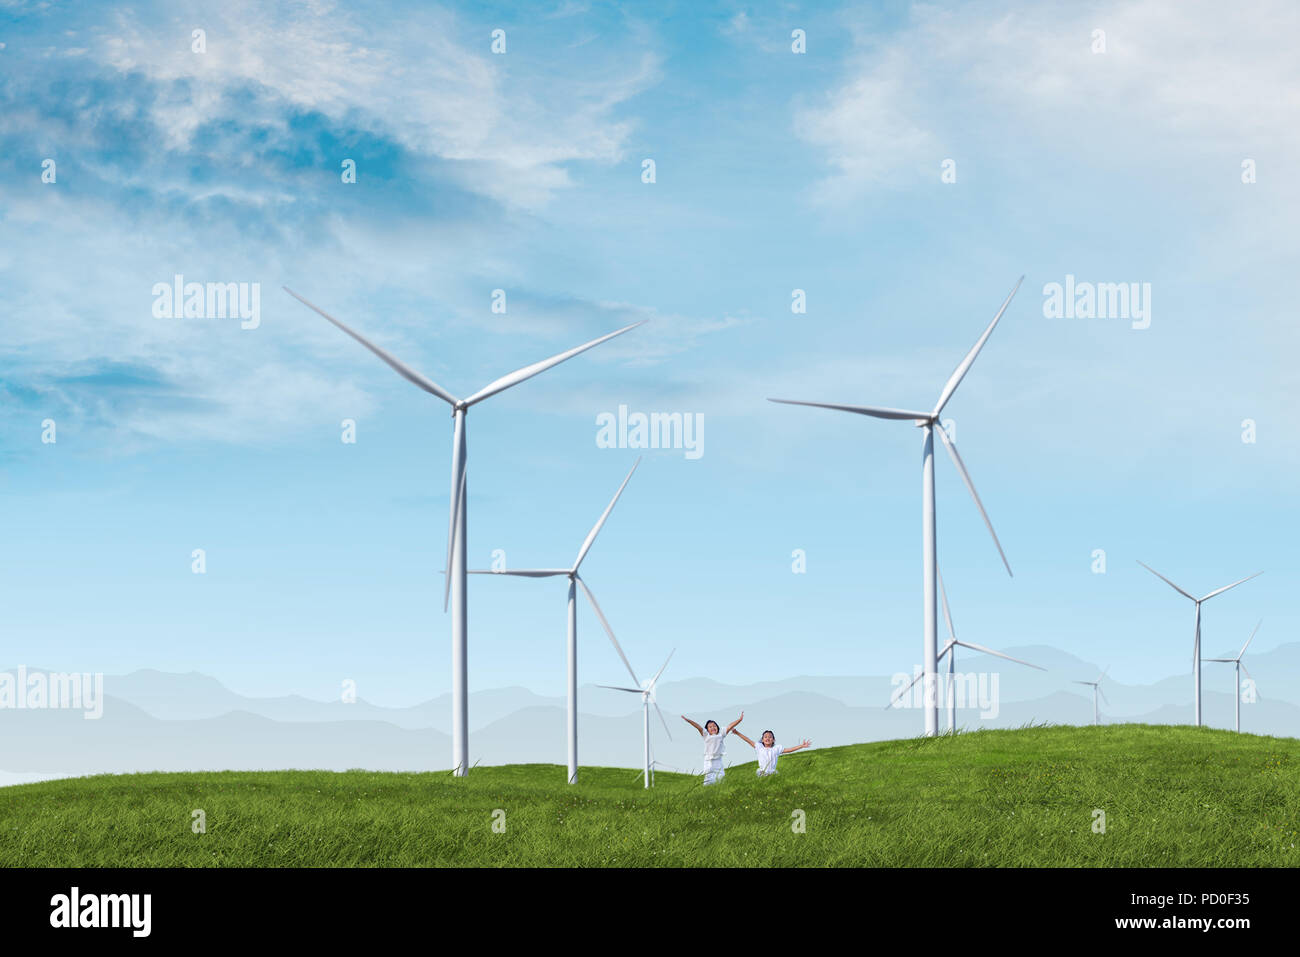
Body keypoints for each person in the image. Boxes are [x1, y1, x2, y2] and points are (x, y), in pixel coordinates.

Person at [682, 712, 744, 785]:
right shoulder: (706, 735)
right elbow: (698, 727)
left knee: (721, 778)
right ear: (707, 730)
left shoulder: (721, 734)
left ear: (717, 727)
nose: (713, 728)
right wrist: (689, 720)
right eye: (710, 727)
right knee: (709, 779)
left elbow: (730, 726)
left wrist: (739, 720)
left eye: (714, 726)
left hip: (718, 760)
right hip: (708, 761)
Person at [731, 728, 811, 777]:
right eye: (765, 737)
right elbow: (747, 740)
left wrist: (801, 746)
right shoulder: (759, 747)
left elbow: (789, 750)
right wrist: (737, 733)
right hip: (762, 773)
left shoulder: (776, 749)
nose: (767, 738)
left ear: (773, 740)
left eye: (770, 737)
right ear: (762, 740)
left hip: (772, 772)